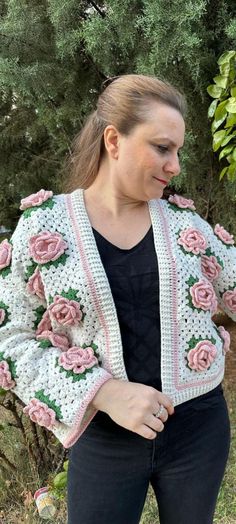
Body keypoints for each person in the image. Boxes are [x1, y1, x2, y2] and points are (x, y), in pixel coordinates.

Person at [0, 74, 235, 524]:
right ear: (114, 140)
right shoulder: (43, 229)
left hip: (198, 430)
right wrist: (103, 392)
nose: (175, 166)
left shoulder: (188, 228)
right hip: (104, 438)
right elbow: (9, 338)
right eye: (163, 148)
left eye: (178, 151)